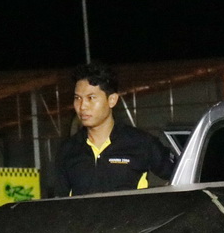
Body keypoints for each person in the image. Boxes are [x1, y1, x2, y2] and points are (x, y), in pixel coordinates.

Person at [54, 63, 177, 196]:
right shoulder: (68, 149)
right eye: (77, 98)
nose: (82, 106)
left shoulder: (141, 143)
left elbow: (181, 175)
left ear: (112, 100)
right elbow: (60, 201)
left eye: (91, 98)